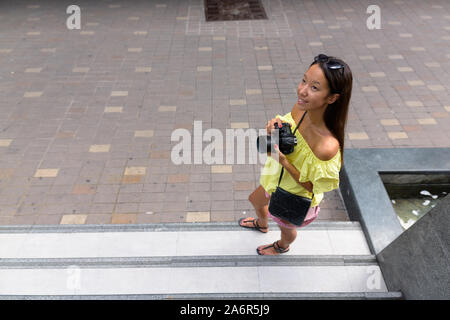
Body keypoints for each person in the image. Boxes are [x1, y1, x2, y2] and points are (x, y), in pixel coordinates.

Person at [239, 54, 353, 255]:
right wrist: (272, 130)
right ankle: (262, 224)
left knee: (287, 228)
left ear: (332, 98)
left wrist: (283, 162)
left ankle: (283, 246)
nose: (302, 91)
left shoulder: (327, 146)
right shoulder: (300, 109)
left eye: (314, 87)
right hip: (275, 180)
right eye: (304, 80)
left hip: (293, 196)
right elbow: (284, 139)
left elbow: (312, 186)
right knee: (256, 201)